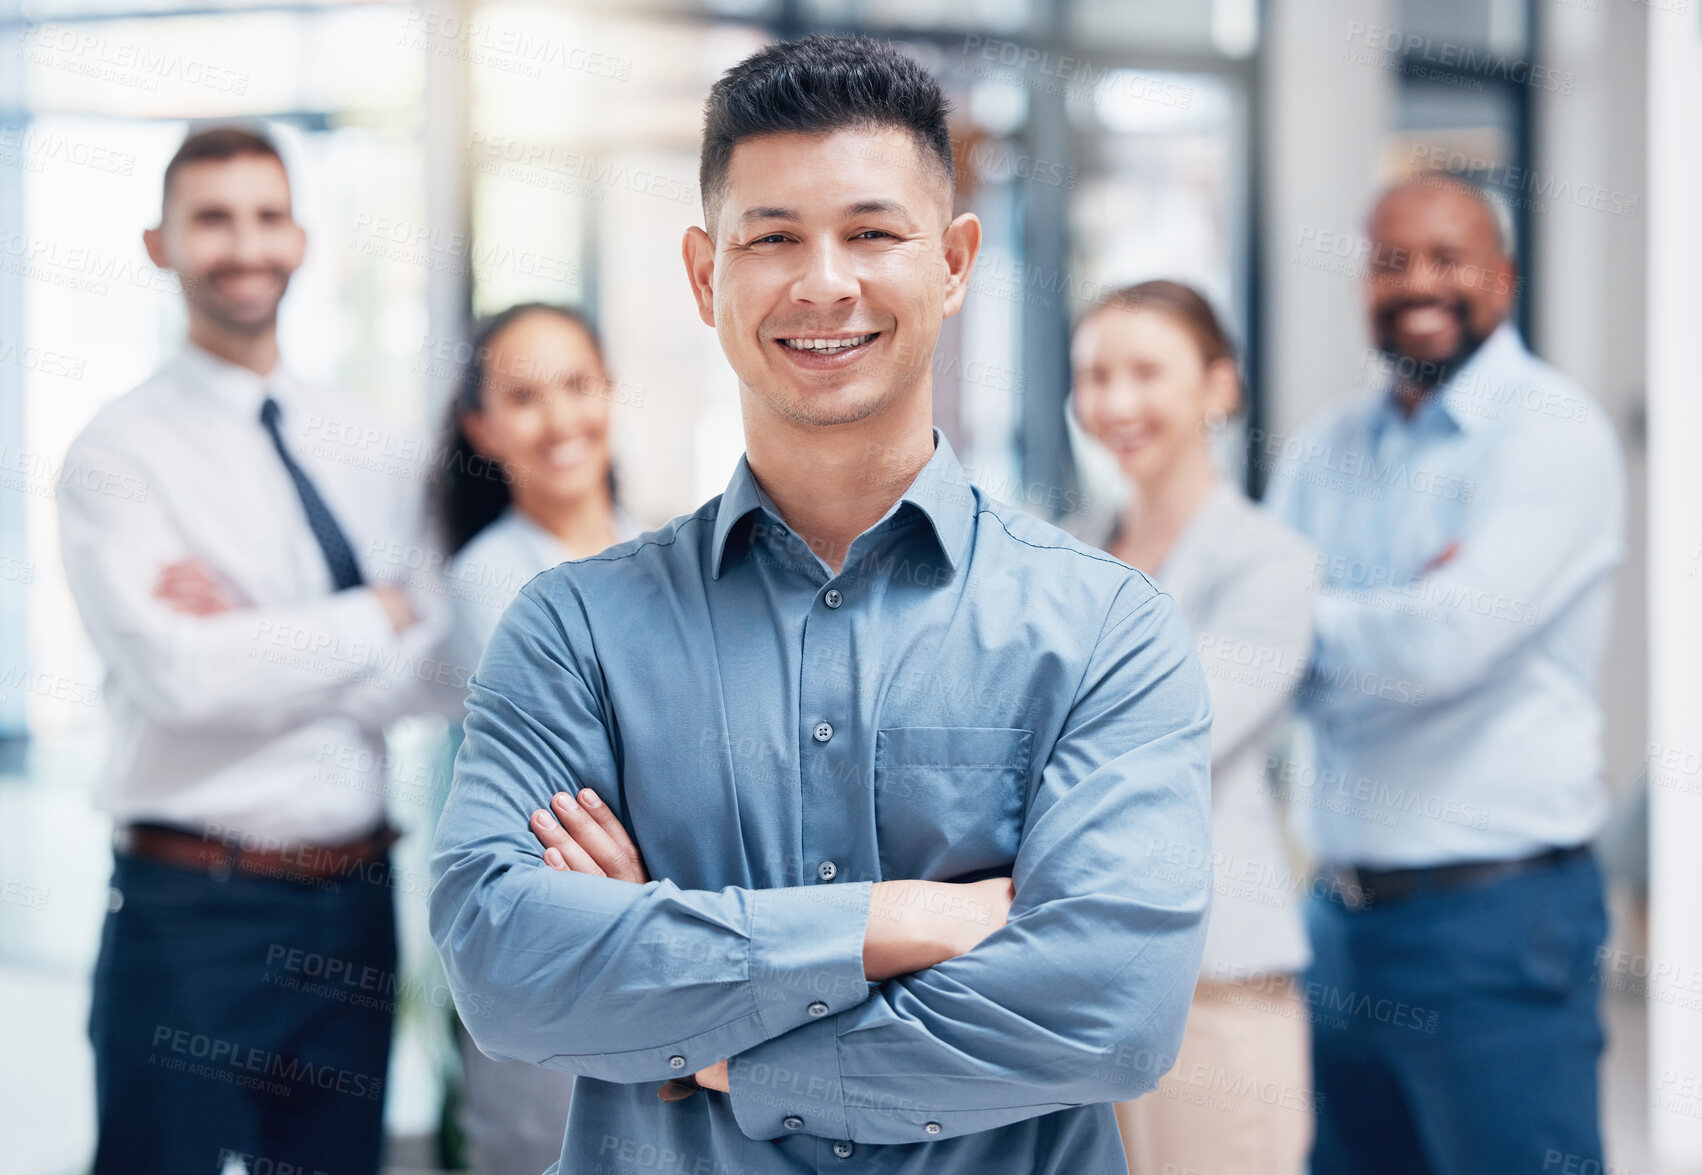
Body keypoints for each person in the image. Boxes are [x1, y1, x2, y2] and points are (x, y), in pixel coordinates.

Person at [430, 33, 1214, 1175]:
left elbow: (1111, 1005)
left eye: (872, 232)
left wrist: (705, 1024)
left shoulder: (1107, 630)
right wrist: (886, 923)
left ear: (952, 261)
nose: (824, 281)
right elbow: (504, 965)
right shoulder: (573, 630)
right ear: (706, 275)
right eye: (774, 237)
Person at [58, 125, 456, 1174]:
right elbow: (182, 679)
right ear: (160, 243)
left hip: (354, 906)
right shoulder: (118, 453)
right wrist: (368, 615)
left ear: (302, 239)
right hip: (192, 911)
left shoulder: (370, 442)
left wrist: (254, 634)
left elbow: (436, 664)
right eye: (213, 218)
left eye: (266, 215)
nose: (245, 244)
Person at [1263, 174, 1625, 1174]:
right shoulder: (1323, 449)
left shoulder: (1551, 434)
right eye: (1390, 261)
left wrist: (1332, 627)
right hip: (1339, 924)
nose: (1417, 282)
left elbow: (1442, 643)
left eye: (1446, 258)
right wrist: (1379, 622)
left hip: (1495, 927)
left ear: (1501, 281)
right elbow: (1257, 640)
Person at [1069, 280, 1316, 1175]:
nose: (1116, 401)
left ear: (1220, 386)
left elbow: (1165, 741)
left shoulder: (1269, 563)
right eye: (1095, 375)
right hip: (1076, 987)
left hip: (1216, 984)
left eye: (1146, 372)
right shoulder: (1064, 553)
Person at [434, 301, 638, 1175]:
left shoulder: (671, 548)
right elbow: (589, 771)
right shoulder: (486, 581)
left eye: (577, 385)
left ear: (609, 394)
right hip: (547, 950)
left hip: (662, 937)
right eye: (524, 397)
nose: (560, 420)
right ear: (482, 427)